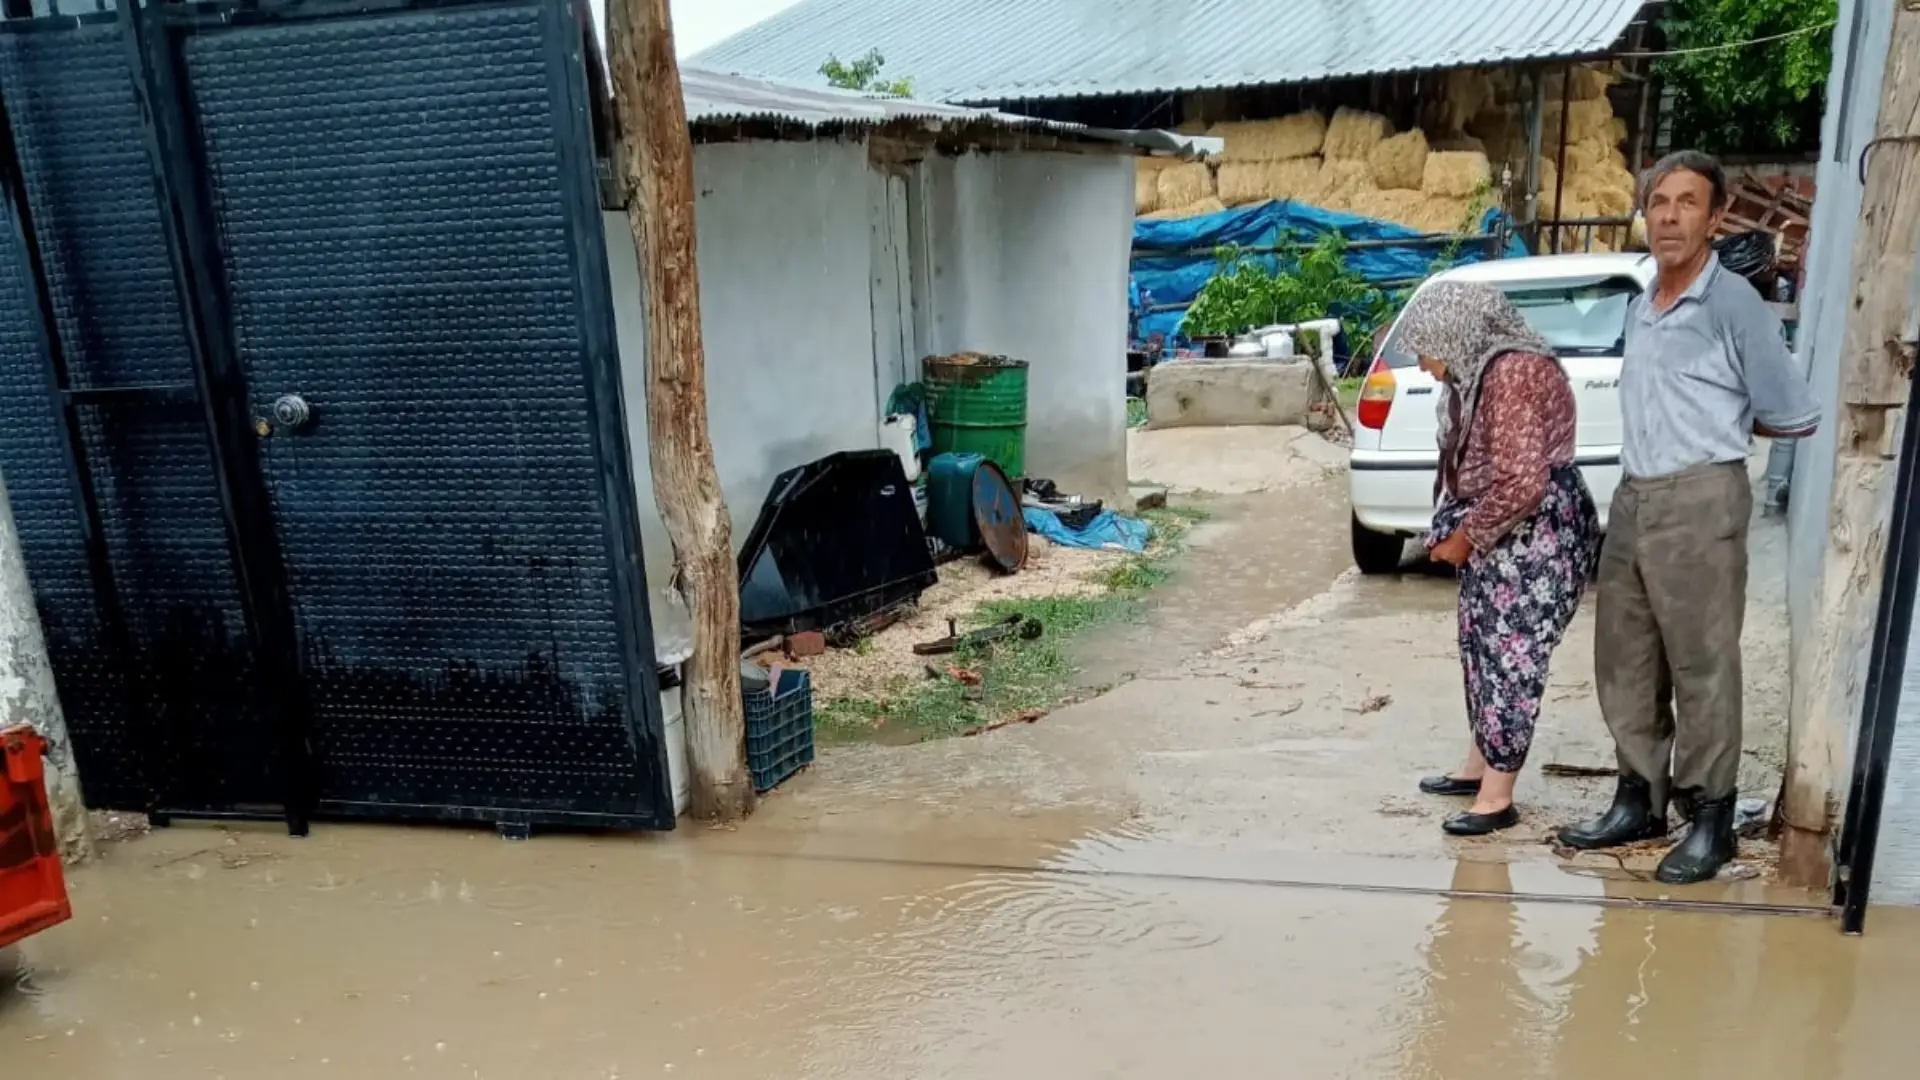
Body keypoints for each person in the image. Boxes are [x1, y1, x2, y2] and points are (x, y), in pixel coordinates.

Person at [1556, 151, 1820, 884]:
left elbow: (1792, 413)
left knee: (1703, 665)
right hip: (1636, 495)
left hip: (1703, 494)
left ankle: (1711, 818)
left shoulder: (1732, 303)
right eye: (1659, 202)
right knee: (1626, 659)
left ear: (1717, 217)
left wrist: (1719, 433)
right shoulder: (1645, 299)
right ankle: (1638, 798)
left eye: (1686, 203)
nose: (1669, 216)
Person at [1409, 281, 1602, 836]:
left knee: (1511, 656)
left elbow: (1523, 482)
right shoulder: (1481, 372)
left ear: (1454, 333)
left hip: (1532, 535)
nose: (1422, 365)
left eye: (1425, 347)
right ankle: (1478, 767)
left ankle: (1497, 797)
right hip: (1506, 533)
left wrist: (1466, 537)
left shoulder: (1512, 373)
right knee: (1480, 647)